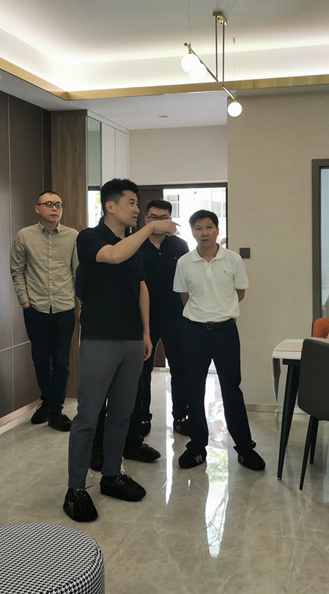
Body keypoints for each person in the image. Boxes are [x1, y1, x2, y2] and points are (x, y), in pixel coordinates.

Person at [64, 178, 177, 522]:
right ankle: (76, 488)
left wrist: (145, 332)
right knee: (89, 415)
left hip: (131, 339)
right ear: (109, 205)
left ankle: (112, 474)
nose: (136, 209)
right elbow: (113, 256)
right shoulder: (89, 238)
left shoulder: (133, 244)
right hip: (100, 338)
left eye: (137, 204)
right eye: (131, 202)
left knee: (123, 413)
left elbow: (141, 287)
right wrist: (151, 228)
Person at [173, 209, 265, 471]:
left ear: (217, 230)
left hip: (225, 332)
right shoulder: (184, 262)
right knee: (194, 389)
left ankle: (245, 448)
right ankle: (197, 446)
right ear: (193, 232)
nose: (204, 233)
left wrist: (219, 310)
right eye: (198, 228)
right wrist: (202, 314)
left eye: (209, 227)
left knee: (231, 389)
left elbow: (240, 293)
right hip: (194, 332)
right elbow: (184, 297)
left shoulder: (232, 259)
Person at [11, 191, 78, 431]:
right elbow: (17, 270)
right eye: (49, 204)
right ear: (37, 208)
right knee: (40, 360)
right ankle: (48, 402)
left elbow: (78, 272)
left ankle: (56, 409)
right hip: (35, 308)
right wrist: (25, 302)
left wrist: (82, 303)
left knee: (61, 361)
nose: (55, 208)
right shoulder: (24, 235)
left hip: (64, 307)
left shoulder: (73, 236)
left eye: (58, 204)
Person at [137, 199, 190, 435]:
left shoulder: (180, 246)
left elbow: (188, 281)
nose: (159, 222)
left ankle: (181, 416)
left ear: (170, 220)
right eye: (154, 217)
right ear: (146, 219)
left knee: (180, 369)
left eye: (164, 218)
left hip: (175, 316)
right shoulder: (136, 245)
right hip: (143, 319)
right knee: (142, 371)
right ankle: (141, 418)